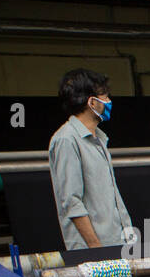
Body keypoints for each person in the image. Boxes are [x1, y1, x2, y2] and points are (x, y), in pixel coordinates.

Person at [48, 68, 134, 250]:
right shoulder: (66, 139)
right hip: (96, 250)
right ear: (92, 102)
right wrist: (97, 249)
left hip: (118, 243)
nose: (109, 102)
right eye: (105, 97)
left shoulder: (99, 139)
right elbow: (72, 202)